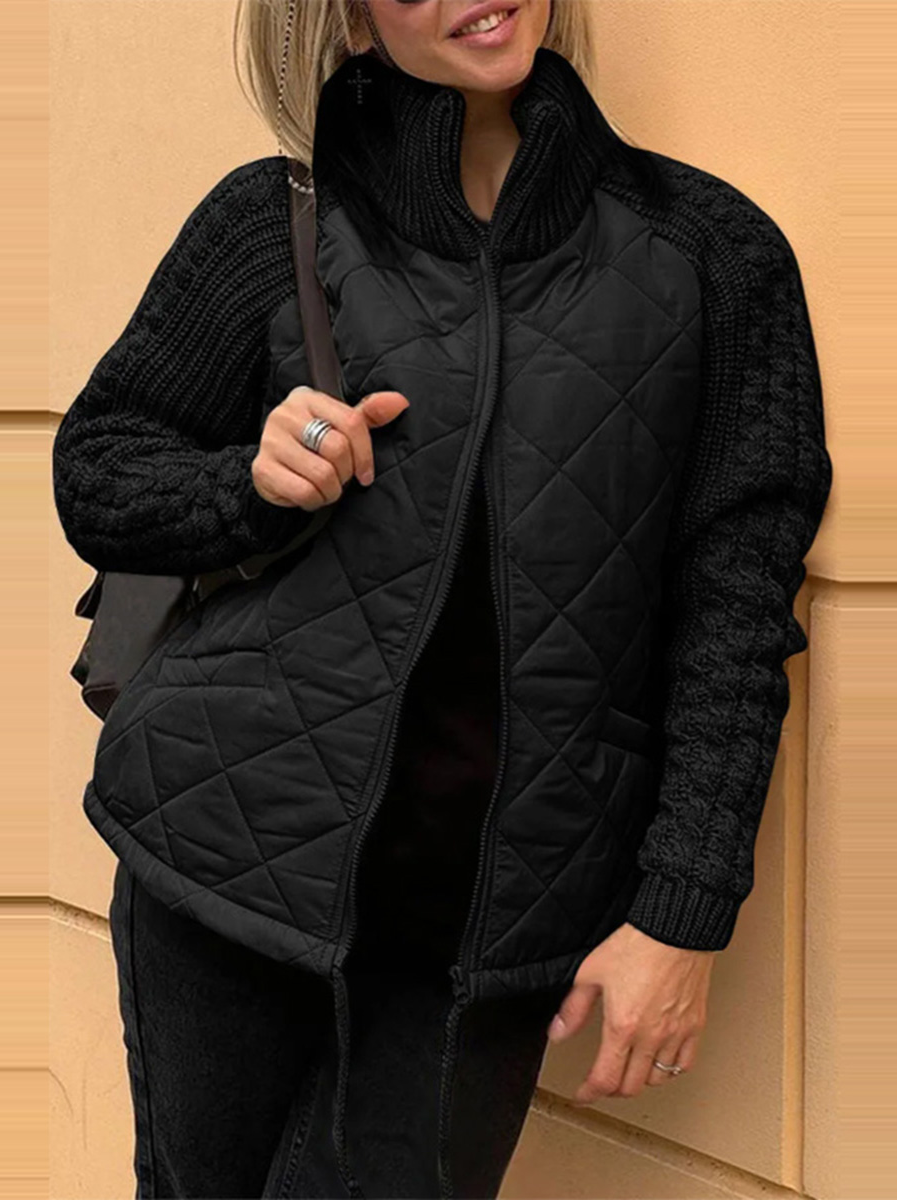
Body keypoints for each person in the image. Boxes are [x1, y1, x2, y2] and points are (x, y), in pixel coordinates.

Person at [52, 0, 834, 1196]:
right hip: (219, 865)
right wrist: (249, 483)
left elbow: (736, 610)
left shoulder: (714, 255)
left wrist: (683, 912)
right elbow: (100, 470)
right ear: (353, 22)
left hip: (487, 927)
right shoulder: (275, 217)